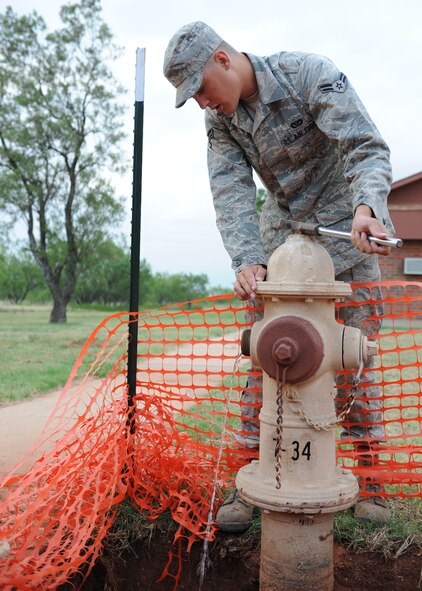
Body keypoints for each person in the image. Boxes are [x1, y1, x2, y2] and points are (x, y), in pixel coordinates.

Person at [163, 21, 395, 531]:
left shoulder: (307, 74)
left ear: (222, 60)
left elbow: (366, 146)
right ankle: (251, 478)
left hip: (347, 240)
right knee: (265, 358)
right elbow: (229, 191)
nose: (201, 102)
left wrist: (367, 207)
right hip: (280, 249)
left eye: (200, 88)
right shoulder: (221, 122)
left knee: (354, 359)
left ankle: (374, 484)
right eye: (191, 98)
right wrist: (247, 259)